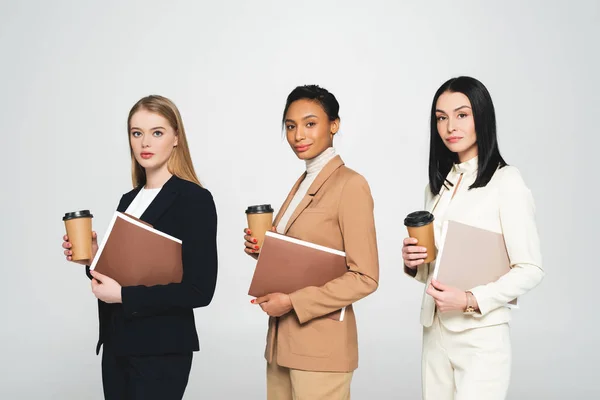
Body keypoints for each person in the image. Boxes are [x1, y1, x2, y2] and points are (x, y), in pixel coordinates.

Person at [61, 95, 218, 400]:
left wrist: (123, 295)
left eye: (157, 132)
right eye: (137, 133)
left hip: (161, 350)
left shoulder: (194, 200)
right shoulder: (128, 200)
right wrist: (93, 259)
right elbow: (122, 273)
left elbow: (200, 291)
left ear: (176, 138)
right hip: (117, 345)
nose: (145, 142)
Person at [402, 76, 545, 400]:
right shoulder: (437, 188)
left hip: (480, 338)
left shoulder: (506, 182)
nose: (450, 125)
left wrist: (469, 299)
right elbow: (438, 267)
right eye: (441, 117)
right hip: (435, 333)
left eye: (461, 114)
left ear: (482, 116)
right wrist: (415, 263)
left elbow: (530, 269)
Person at [243, 85, 379, 400]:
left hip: (321, 349)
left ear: (334, 125)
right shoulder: (304, 182)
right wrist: (264, 253)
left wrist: (292, 302)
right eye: (290, 126)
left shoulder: (350, 185)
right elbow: (304, 258)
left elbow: (366, 277)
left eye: (310, 124)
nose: (298, 135)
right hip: (281, 346)